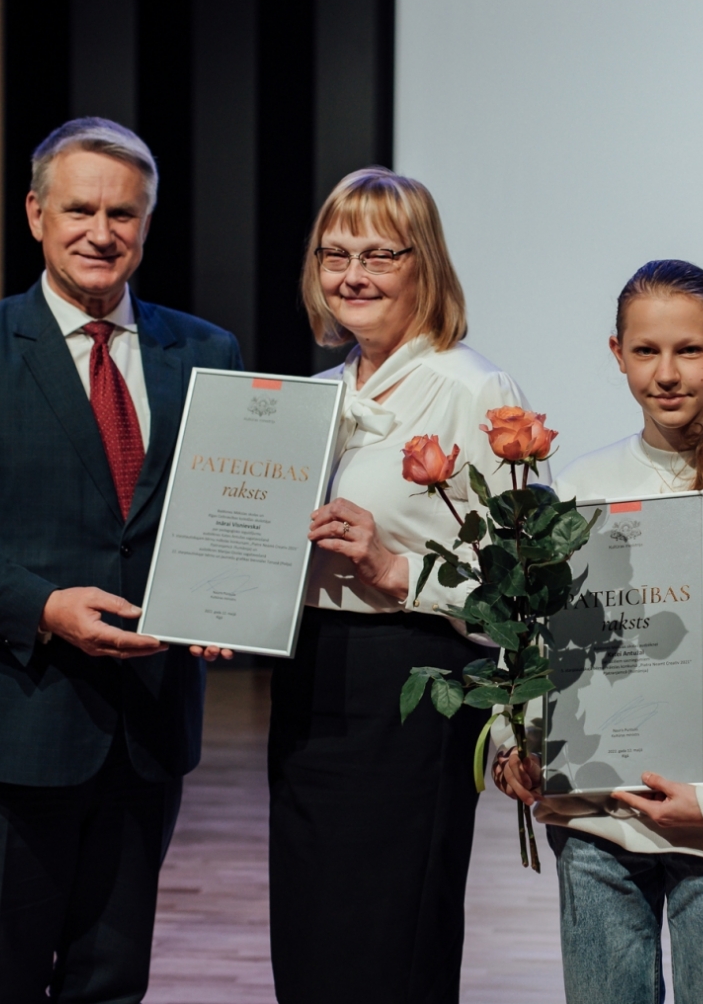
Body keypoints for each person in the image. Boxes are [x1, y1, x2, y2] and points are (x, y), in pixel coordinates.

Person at [0, 117, 243, 1002]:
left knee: (113, 983)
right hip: (13, 718)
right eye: (79, 208)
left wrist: (236, 595)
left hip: (147, 731)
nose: (101, 231)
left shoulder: (207, 352)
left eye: (123, 212)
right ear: (36, 214)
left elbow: (229, 517)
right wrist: (46, 607)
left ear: (148, 222)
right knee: (3, 981)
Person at [496, 260, 703, 1004]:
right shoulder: (584, 484)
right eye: (646, 351)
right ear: (616, 353)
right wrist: (518, 745)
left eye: (688, 349)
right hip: (598, 823)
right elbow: (540, 644)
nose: (668, 372)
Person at [256, 168, 543, 1003]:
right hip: (308, 678)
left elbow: (526, 586)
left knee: (389, 944)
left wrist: (398, 570)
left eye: (379, 253)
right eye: (334, 252)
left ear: (426, 266)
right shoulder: (308, 399)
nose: (353, 273)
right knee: (309, 941)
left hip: (413, 690)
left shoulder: (474, 390)